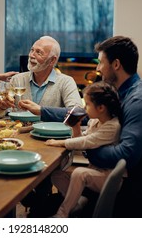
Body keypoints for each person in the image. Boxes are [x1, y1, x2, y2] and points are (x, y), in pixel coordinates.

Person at [41, 36, 142, 217]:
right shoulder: (124, 93)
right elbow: (86, 116)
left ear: (116, 64)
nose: (98, 68)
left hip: (133, 196)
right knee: (54, 188)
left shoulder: (139, 101)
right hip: (127, 184)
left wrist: (89, 146)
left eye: (101, 63)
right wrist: (41, 110)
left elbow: (126, 156)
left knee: (44, 209)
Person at [10, 35, 82, 217]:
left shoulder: (65, 81)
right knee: (8, 179)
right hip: (20, 141)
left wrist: (41, 110)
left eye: (39, 52)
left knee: (39, 176)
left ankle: (38, 210)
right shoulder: (18, 80)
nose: (32, 55)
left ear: (53, 60)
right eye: (32, 50)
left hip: (51, 145)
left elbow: (78, 112)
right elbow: (3, 110)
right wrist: (1, 104)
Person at [45, 81, 122, 218]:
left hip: (108, 177)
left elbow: (87, 142)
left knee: (79, 173)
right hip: (94, 171)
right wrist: (76, 127)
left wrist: (59, 142)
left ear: (101, 108)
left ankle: (62, 213)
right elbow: (81, 143)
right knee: (57, 175)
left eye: (87, 104)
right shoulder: (94, 121)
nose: (84, 107)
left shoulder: (112, 126)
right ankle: (77, 199)